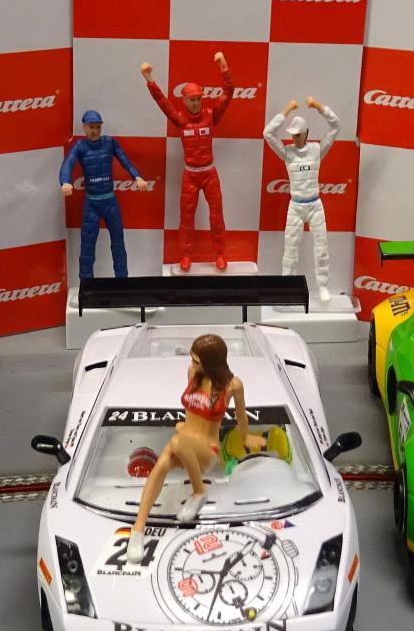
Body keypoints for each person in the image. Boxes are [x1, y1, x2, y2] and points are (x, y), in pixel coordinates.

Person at [126, 333, 263, 563]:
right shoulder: (192, 373)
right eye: (192, 359)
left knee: (176, 442)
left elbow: (241, 415)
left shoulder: (233, 385)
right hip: (185, 443)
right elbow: (191, 408)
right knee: (161, 465)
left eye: (196, 360)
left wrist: (245, 436)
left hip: (206, 452)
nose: (192, 364)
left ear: (211, 362)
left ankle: (199, 491)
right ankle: (138, 529)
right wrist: (186, 425)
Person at [140, 52, 232, 272]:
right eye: (192, 99)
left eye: (199, 98)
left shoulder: (211, 115)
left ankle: (220, 254)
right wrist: (149, 79)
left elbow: (228, 94)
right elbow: (162, 102)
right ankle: (186, 255)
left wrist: (224, 67)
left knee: (217, 216)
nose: (196, 102)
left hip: (209, 174)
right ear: (184, 101)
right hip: (190, 175)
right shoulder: (180, 119)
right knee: (186, 218)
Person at [263, 96, 341, 303]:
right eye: (293, 135)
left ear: (306, 133)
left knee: (321, 247)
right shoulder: (287, 152)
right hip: (296, 206)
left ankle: (323, 286)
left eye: (298, 135)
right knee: (290, 248)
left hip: (315, 205)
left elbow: (335, 126)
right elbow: (267, 133)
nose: (295, 138)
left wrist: (318, 106)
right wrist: (287, 109)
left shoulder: (317, 150)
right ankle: (287, 288)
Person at [59, 110, 148, 280]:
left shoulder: (109, 142)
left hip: (110, 202)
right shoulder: (80, 146)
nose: (95, 131)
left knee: (118, 244)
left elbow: (125, 160)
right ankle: (87, 286)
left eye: (98, 127)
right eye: (91, 127)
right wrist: (65, 181)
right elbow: (67, 164)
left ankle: (122, 283)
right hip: (91, 204)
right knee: (87, 247)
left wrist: (137, 177)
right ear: (84, 127)